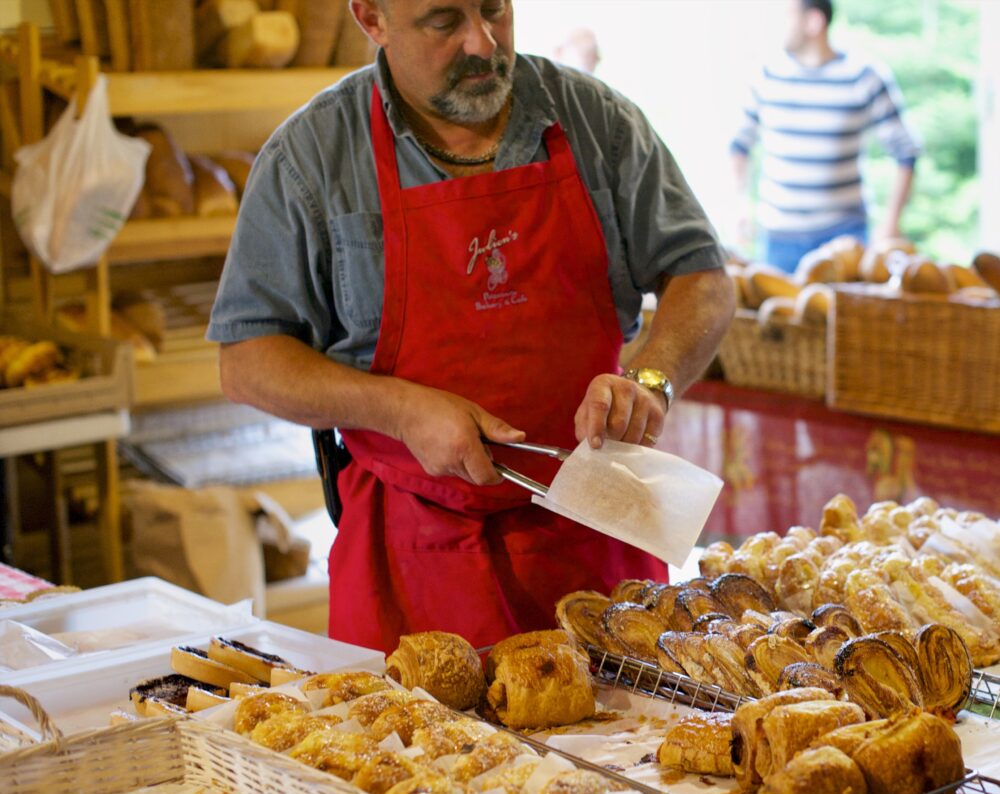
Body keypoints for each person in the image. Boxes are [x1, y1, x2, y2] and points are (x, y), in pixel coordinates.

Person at [207, 0, 733, 652]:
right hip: (411, 564)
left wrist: (651, 380)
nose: (483, 42)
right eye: (444, 21)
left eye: (494, 9)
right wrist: (399, 409)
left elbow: (701, 277)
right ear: (372, 18)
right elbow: (247, 358)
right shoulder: (312, 157)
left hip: (600, 547)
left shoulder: (598, 122)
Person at [730, 0, 921, 274]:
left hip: (844, 237)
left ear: (814, 21)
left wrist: (891, 222)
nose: (779, 26)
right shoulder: (766, 75)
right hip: (778, 240)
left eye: (788, 16)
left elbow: (906, 151)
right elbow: (739, 145)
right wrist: (740, 205)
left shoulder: (863, 76)